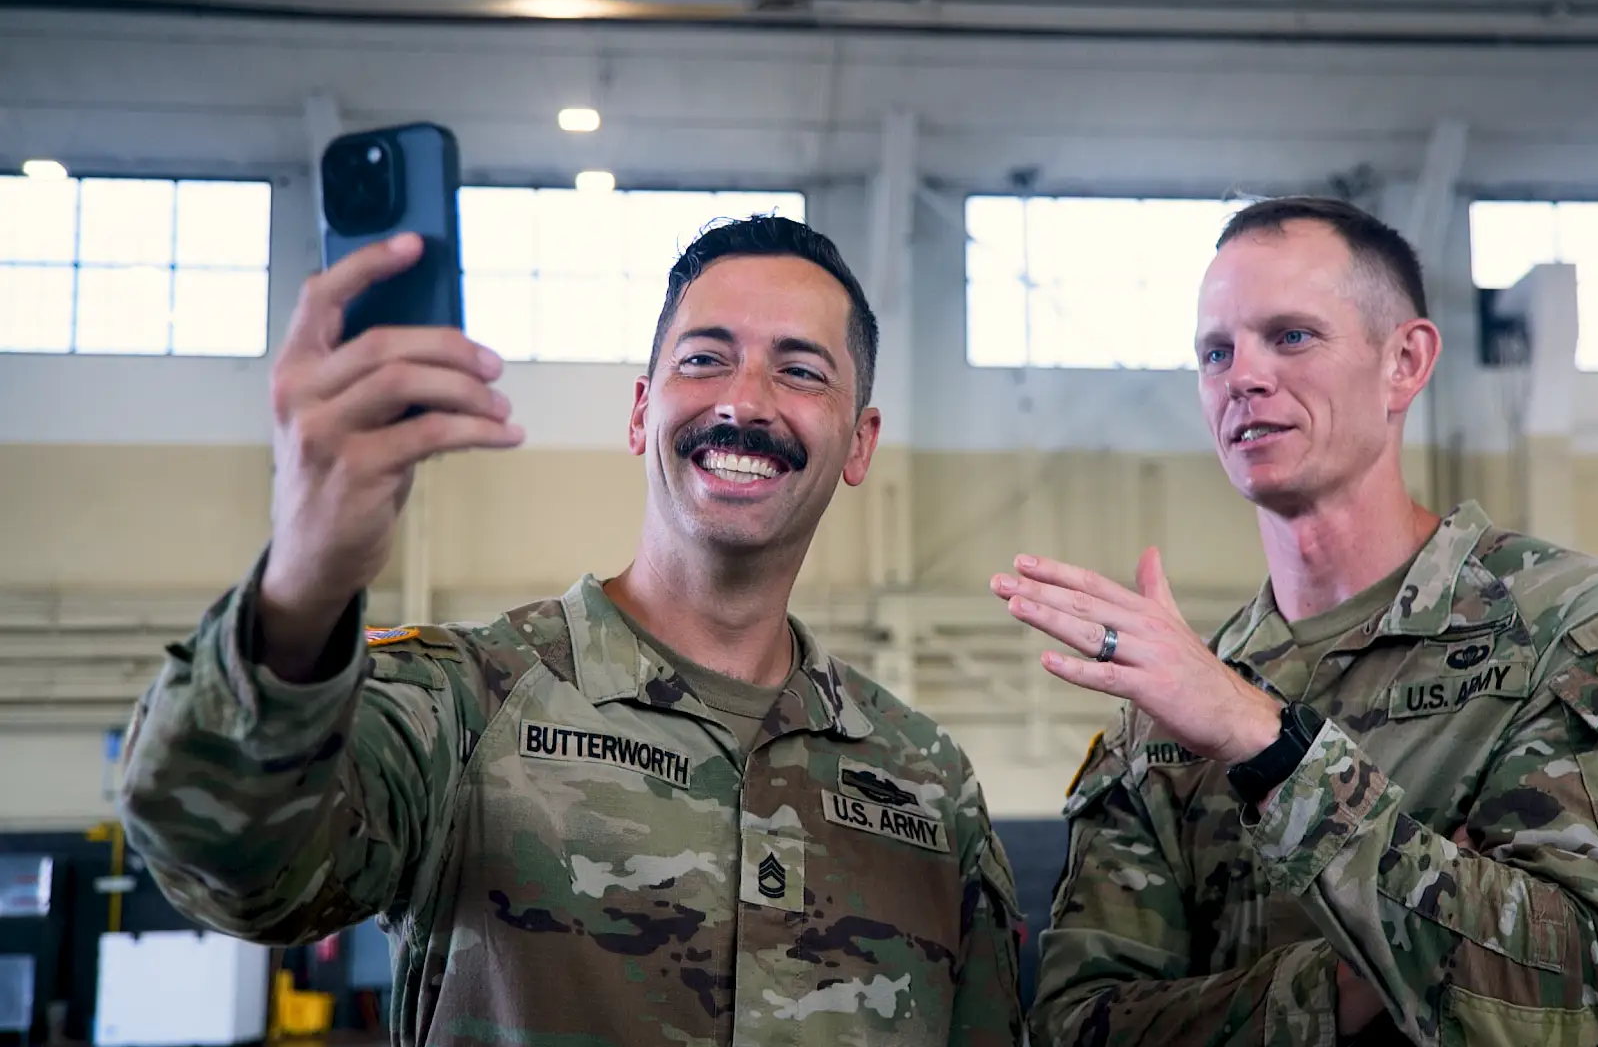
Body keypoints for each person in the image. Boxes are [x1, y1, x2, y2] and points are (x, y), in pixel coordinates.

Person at [116, 216, 1025, 1046]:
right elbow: (228, 862)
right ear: (642, 411)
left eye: (799, 370)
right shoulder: (465, 704)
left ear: (859, 443)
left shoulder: (927, 785)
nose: (744, 402)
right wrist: (303, 581)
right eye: (705, 359)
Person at [1000, 196, 1598, 1045]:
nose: (1244, 376)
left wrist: (1263, 741)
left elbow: (1576, 1005)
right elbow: (1075, 1030)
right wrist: (1354, 982)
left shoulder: (1570, 630)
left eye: (1292, 336)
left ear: (1405, 362)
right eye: (1215, 351)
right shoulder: (1167, 707)